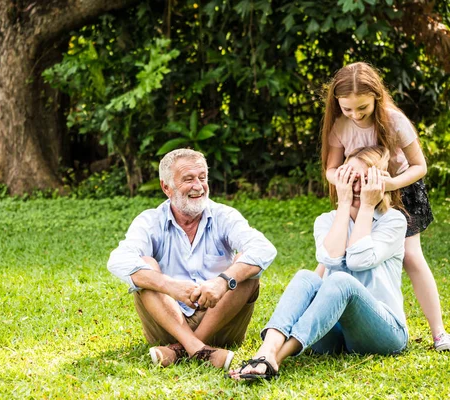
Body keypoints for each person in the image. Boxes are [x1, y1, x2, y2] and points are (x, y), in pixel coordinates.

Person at [229, 146, 409, 381]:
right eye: (351, 179)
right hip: (334, 336)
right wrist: (344, 205)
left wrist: (366, 206)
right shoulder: (326, 221)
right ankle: (266, 351)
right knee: (306, 276)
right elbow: (331, 258)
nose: (357, 187)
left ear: (379, 183)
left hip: (384, 334)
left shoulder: (393, 220)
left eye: (366, 180)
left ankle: (275, 358)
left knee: (340, 280)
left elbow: (358, 260)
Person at [318, 62, 448, 351]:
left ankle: (439, 333)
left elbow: (420, 167)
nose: (355, 114)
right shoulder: (339, 124)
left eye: (361, 108)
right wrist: (340, 178)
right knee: (333, 253)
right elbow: (330, 168)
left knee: (412, 256)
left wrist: (389, 185)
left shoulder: (393, 120)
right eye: (347, 109)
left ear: (376, 96)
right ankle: (314, 311)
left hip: (400, 190)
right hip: (356, 190)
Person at [107, 148, 277, 370]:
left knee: (246, 267)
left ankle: (181, 349)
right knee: (145, 269)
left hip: (221, 321)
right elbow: (118, 260)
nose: (198, 186)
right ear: (166, 187)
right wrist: (169, 285)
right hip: (167, 322)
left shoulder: (224, 215)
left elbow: (264, 249)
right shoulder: (150, 221)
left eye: (202, 178)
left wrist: (223, 281)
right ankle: (198, 349)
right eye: (188, 179)